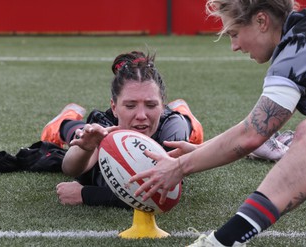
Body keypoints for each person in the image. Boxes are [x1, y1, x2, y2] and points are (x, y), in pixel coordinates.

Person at [128, 0, 306, 246]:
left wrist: (179, 167)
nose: (234, 46)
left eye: (234, 34)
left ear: (261, 21)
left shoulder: (303, 45)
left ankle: (224, 241)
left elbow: (252, 134)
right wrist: (201, 150)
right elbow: (254, 125)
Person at [40, 51, 204, 208]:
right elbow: (71, 169)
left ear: (162, 106)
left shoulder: (171, 129)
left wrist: (86, 194)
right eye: (130, 105)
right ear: (114, 107)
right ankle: (62, 122)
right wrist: (85, 149)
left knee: (183, 123)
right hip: (111, 125)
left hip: (174, 122)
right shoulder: (104, 125)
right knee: (82, 133)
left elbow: (160, 193)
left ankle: (185, 114)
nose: (141, 115)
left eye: (151, 105)